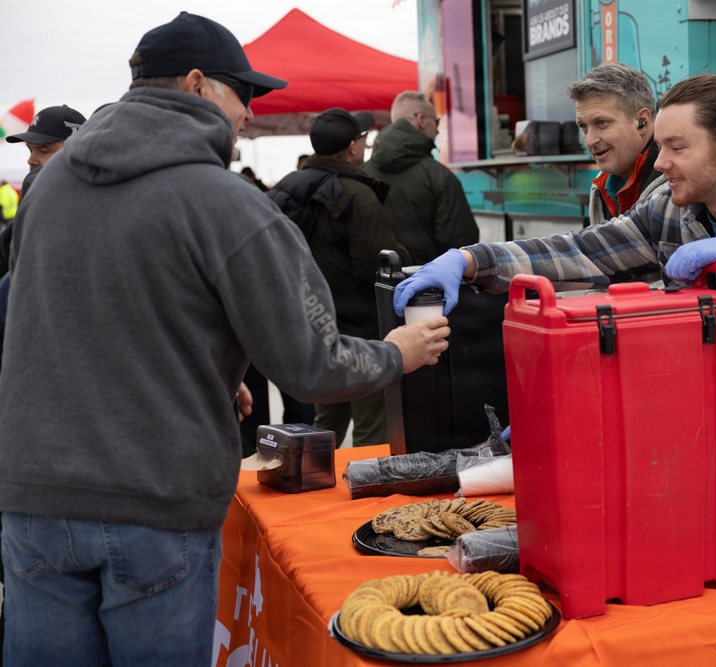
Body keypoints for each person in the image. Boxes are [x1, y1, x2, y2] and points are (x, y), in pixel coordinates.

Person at [394, 73, 716, 666]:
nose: (662, 162)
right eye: (661, 147)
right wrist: (471, 260)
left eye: (678, 147)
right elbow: (586, 252)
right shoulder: (673, 209)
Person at [0, 12, 449, 667]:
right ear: (197, 84)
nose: (249, 114)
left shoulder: (50, 185)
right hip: (155, 504)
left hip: (33, 499)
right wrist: (399, 353)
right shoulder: (222, 200)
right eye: (245, 94)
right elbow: (312, 365)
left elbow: (53, 318)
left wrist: (208, 369)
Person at [269, 107, 401, 447]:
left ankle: (310, 484)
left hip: (314, 323)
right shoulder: (359, 195)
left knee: (325, 419)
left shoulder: (286, 187)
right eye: (363, 138)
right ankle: (366, 497)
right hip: (363, 330)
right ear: (352, 147)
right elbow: (377, 265)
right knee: (372, 427)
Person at [363, 91, 478, 264]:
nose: (438, 129)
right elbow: (461, 248)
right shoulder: (440, 177)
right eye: (436, 121)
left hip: (376, 284)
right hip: (429, 286)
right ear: (421, 120)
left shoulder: (363, 174)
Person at [568, 62, 668, 224]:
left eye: (601, 123)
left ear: (641, 121)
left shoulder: (675, 183)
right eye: (584, 127)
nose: (590, 140)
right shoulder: (601, 188)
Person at [4, 104, 87, 200]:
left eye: (43, 151)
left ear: (77, 151)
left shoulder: (96, 198)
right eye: (30, 150)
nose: (30, 160)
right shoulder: (33, 189)